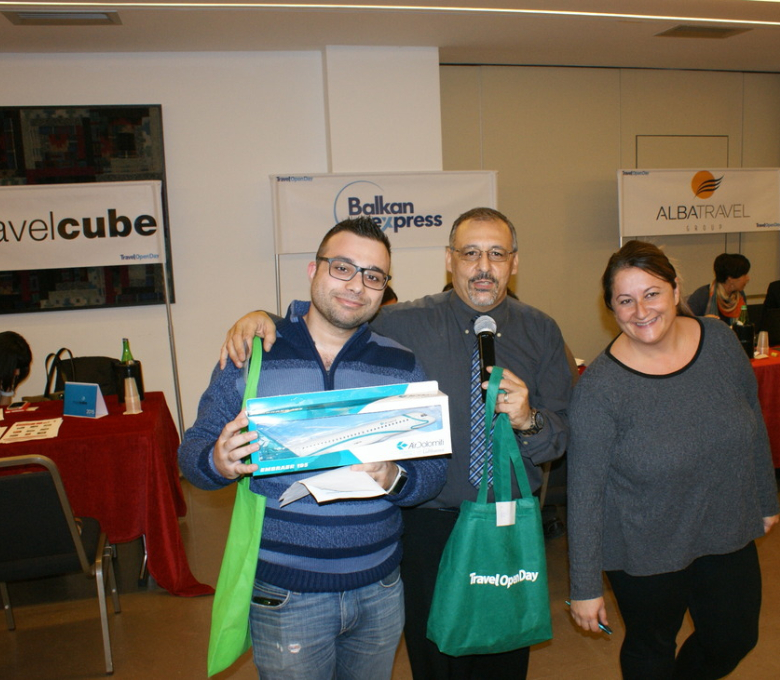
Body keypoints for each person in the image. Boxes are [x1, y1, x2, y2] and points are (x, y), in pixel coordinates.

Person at [221, 207, 572, 680]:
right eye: (470, 253)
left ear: (515, 262)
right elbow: (336, 313)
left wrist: (529, 420)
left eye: (496, 254)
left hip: (505, 522)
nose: (483, 267)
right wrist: (264, 318)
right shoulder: (402, 322)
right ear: (449, 260)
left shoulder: (542, 331)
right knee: (434, 661)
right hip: (427, 527)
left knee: (503, 657)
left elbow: (561, 437)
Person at [178, 217, 448, 680]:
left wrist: (395, 477)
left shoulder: (401, 364)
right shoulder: (253, 354)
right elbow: (192, 452)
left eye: (373, 276)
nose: (356, 285)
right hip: (286, 594)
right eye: (342, 267)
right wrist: (216, 461)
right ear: (313, 270)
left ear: (384, 288)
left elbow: (434, 469)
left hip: (380, 590)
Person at [568, 240, 780, 680]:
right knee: (652, 648)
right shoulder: (600, 389)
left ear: (676, 289)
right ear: (611, 307)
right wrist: (585, 586)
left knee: (734, 637)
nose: (641, 311)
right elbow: (584, 494)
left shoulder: (719, 341)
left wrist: (765, 497)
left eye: (652, 293)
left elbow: (752, 417)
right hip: (643, 545)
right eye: (625, 300)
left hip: (724, 525)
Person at [686, 253, 751, 326]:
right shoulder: (702, 295)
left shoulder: (740, 296)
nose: (748, 278)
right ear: (730, 279)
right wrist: (703, 321)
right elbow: (686, 322)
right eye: (744, 275)